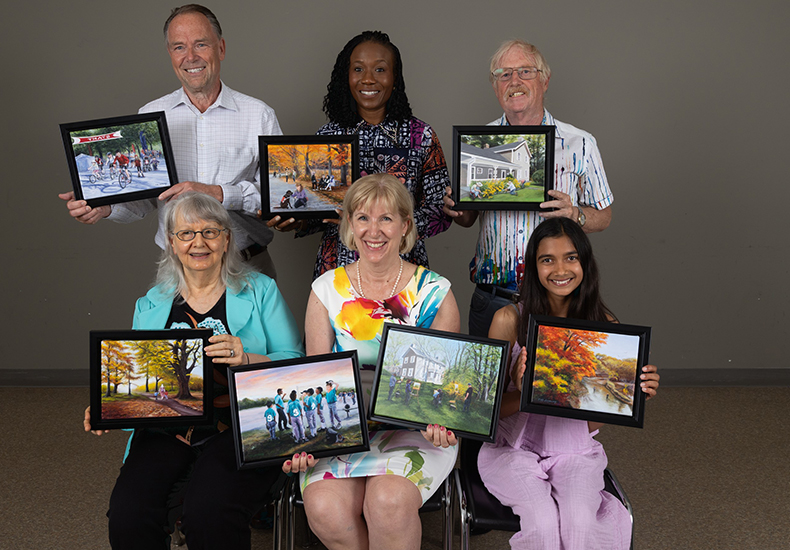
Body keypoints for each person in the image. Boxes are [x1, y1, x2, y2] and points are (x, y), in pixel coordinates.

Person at [82, 192, 303, 550]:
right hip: (167, 429)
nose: (198, 242)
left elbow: (294, 363)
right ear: (171, 242)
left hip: (241, 426)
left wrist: (247, 359)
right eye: (186, 233)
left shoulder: (261, 291)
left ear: (227, 238)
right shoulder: (151, 303)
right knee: (129, 514)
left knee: (210, 513)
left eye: (210, 232)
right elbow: (137, 388)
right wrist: (108, 407)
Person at [283, 173, 459, 550]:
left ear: (405, 225)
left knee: (387, 503)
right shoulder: (325, 290)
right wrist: (301, 439)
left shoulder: (435, 293)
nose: (373, 230)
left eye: (386, 218)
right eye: (362, 217)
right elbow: (315, 378)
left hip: (414, 432)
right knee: (324, 509)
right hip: (341, 430)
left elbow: (445, 385)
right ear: (348, 224)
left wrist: (443, 421)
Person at [60, 4, 281, 278]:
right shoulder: (150, 116)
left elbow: (279, 197)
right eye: (179, 47)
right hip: (178, 273)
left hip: (248, 267)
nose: (190, 57)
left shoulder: (258, 115)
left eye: (201, 44)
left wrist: (219, 193)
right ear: (170, 54)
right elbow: (145, 198)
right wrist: (106, 206)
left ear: (221, 48)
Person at [478, 217, 660, 550]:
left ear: (585, 263)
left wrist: (630, 396)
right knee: (543, 522)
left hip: (574, 451)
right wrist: (523, 391)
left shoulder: (604, 327)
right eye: (547, 259)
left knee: (579, 524)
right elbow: (485, 414)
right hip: (511, 451)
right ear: (534, 267)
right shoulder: (508, 320)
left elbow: (590, 422)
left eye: (571, 257)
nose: (560, 269)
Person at [443, 39, 614, 337]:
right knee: (491, 384)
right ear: (495, 86)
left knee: (551, 382)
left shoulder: (580, 143)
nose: (515, 81)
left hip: (558, 298)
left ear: (545, 80)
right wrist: (457, 208)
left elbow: (604, 216)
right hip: (493, 297)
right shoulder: (477, 143)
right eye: (504, 74)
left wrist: (575, 215)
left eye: (525, 71)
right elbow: (469, 219)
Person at [268, 30, 451, 280]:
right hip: (338, 271)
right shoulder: (327, 137)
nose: (367, 79)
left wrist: (389, 225)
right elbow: (318, 208)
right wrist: (296, 219)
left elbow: (441, 210)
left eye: (379, 69)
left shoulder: (422, 136)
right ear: (347, 77)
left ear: (395, 78)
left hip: (403, 272)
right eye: (358, 69)